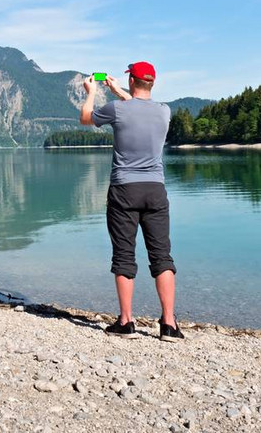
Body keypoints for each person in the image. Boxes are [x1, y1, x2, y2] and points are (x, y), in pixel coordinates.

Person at [79, 62, 184, 342]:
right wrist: (118, 90)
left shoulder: (118, 110)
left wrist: (92, 91)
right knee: (162, 256)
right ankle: (169, 325)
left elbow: (86, 118)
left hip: (124, 189)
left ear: (133, 80)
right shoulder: (164, 111)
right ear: (151, 83)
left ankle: (126, 322)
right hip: (155, 189)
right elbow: (139, 107)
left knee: (124, 255)